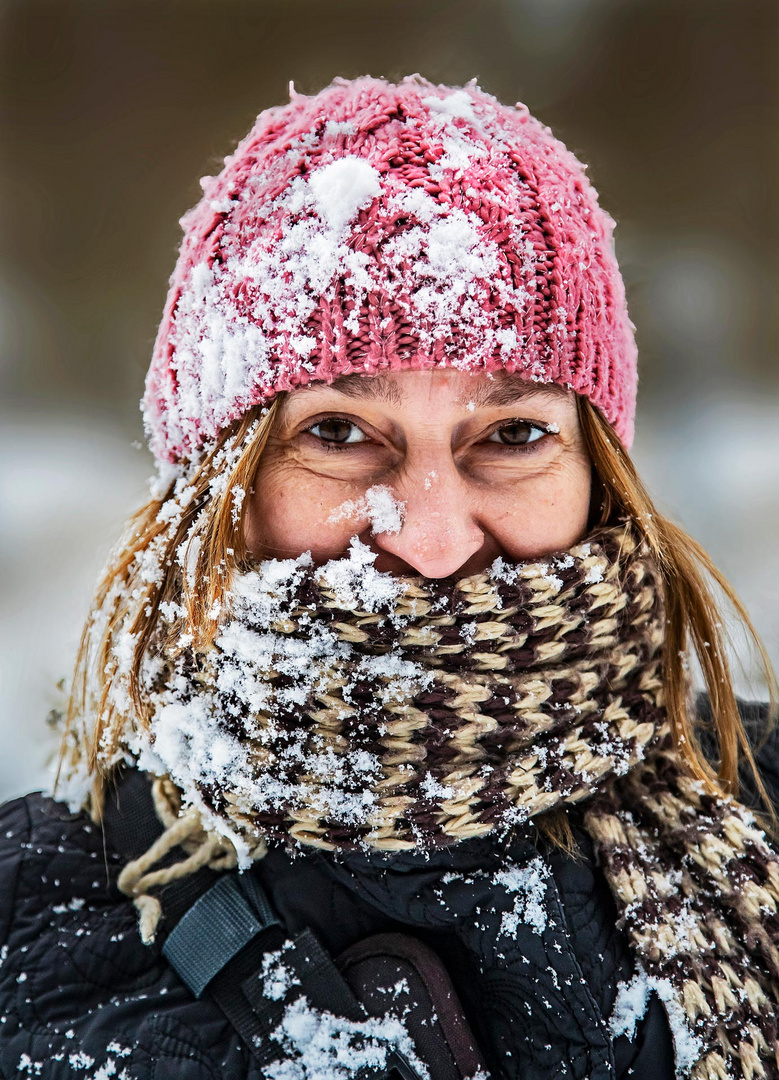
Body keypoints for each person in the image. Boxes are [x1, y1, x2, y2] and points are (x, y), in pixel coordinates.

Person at [1, 73, 778, 1080]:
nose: (432, 537)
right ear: (220, 489)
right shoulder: (39, 936)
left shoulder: (753, 809)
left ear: (598, 476)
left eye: (510, 434)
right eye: (335, 432)